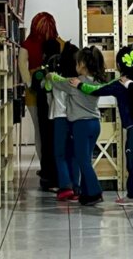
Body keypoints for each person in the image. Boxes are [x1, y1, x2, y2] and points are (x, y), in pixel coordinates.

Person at [71, 47, 133, 208]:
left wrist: (79, 85)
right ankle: (132, 195)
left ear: (119, 65)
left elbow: (96, 90)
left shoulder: (121, 83)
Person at [46, 46, 105, 206]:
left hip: (81, 125)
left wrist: (50, 75)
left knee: (82, 160)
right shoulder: (97, 81)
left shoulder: (74, 82)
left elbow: (58, 82)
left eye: (77, 62)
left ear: (82, 64)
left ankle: (95, 192)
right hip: (95, 123)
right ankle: (86, 192)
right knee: (86, 159)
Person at [19, 12, 63, 161]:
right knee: (54, 128)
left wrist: (30, 84)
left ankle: (45, 164)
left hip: (34, 91)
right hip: (55, 90)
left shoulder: (27, 44)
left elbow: (22, 65)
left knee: (39, 130)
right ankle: (55, 163)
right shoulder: (58, 42)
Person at [45, 41, 81, 201]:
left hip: (59, 117)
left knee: (60, 154)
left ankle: (65, 186)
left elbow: (48, 94)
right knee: (73, 154)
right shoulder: (78, 81)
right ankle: (76, 187)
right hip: (75, 118)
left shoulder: (55, 79)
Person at [30, 39, 61, 191]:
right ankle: (62, 178)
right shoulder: (65, 71)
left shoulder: (40, 73)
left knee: (47, 145)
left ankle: (48, 178)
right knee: (60, 147)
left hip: (45, 115)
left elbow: (34, 88)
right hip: (62, 115)